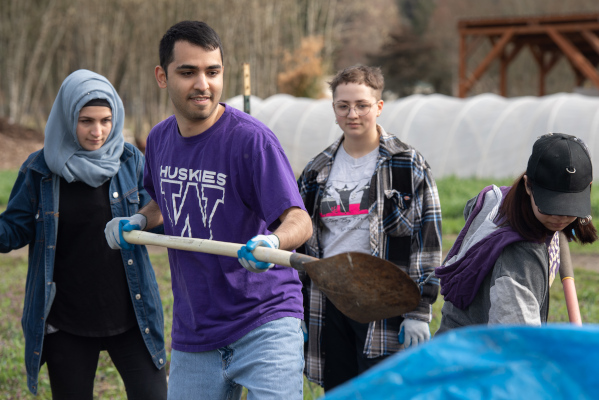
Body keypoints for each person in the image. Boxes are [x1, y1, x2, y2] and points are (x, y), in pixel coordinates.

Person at [104, 21, 312, 400]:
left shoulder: (251, 141)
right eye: (188, 72)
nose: (203, 84)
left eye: (212, 72)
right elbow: (163, 203)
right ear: (162, 76)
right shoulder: (160, 139)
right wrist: (137, 220)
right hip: (195, 328)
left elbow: (299, 220)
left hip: (265, 319)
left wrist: (272, 240)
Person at [0, 70, 167, 399]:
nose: (98, 131)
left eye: (106, 120)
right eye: (85, 120)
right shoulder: (40, 170)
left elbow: (162, 218)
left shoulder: (130, 161)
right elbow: (12, 232)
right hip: (68, 322)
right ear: (66, 118)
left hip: (132, 317)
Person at [297, 65, 442, 391]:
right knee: (340, 390)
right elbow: (302, 245)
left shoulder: (407, 164)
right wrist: (298, 311)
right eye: (343, 105)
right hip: (330, 300)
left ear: (378, 106)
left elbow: (427, 241)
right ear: (333, 108)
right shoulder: (317, 170)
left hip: (385, 300)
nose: (353, 113)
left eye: (362, 105)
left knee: (384, 390)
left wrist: (419, 310)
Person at [436, 133, 597, 333]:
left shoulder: (501, 201)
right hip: (474, 357)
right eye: (551, 206)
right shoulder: (519, 256)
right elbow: (518, 341)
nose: (560, 217)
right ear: (528, 186)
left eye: (570, 208)